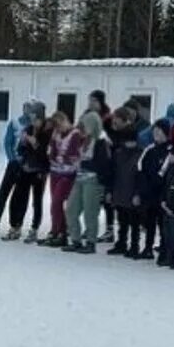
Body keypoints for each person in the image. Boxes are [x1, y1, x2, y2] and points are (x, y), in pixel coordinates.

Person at [63, 111, 112, 253]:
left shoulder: (101, 142)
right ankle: (76, 239)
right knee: (71, 209)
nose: (83, 127)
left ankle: (91, 242)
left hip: (93, 180)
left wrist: (85, 163)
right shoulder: (83, 139)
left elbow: (104, 164)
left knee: (90, 212)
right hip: (79, 178)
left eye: (86, 124)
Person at [0, 102, 33, 234]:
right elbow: (8, 142)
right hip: (14, 163)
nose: (28, 110)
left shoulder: (34, 126)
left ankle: (17, 224)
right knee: (3, 192)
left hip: (27, 165)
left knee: (21, 196)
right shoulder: (15, 122)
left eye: (30, 108)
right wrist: (12, 158)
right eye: (26, 107)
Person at [3, 102, 49, 242]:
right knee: (18, 197)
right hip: (26, 168)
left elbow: (46, 154)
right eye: (32, 118)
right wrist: (23, 144)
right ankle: (15, 225)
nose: (34, 122)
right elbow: (20, 150)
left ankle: (34, 228)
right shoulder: (28, 129)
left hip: (39, 170)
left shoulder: (47, 133)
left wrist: (35, 143)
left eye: (36, 119)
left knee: (37, 200)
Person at [106, 105, 144, 257]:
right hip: (120, 190)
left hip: (132, 192)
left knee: (134, 222)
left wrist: (138, 193)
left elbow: (141, 176)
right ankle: (121, 243)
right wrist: (109, 190)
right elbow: (112, 173)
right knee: (121, 220)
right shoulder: (119, 153)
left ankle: (134, 246)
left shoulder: (140, 154)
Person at [40, 111, 81, 248]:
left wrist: (61, 158)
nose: (58, 129)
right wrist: (54, 157)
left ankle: (63, 232)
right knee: (54, 204)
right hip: (55, 172)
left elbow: (74, 155)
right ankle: (55, 230)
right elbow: (50, 151)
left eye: (59, 125)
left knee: (58, 201)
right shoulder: (56, 134)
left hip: (67, 174)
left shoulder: (74, 134)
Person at [135, 119, 172, 259]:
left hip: (162, 193)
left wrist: (156, 182)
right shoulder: (149, 149)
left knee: (163, 224)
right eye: (154, 130)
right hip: (149, 192)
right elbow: (140, 167)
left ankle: (164, 250)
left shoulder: (170, 150)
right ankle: (148, 247)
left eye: (159, 131)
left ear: (166, 133)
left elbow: (164, 171)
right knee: (149, 221)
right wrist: (142, 187)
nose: (156, 133)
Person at [86, 90, 116, 244]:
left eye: (94, 101)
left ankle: (110, 229)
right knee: (91, 197)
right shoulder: (87, 116)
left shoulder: (108, 118)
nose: (91, 104)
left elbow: (112, 138)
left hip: (104, 161)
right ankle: (90, 226)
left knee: (106, 198)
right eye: (90, 100)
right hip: (89, 160)